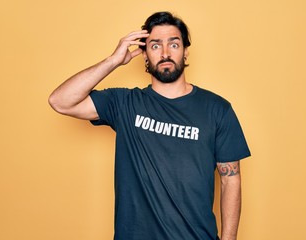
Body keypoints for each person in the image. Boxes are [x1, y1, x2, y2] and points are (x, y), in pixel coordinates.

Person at [49, 11, 250, 240]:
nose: (165, 53)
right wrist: (113, 61)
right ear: (144, 55)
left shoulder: (217, 109)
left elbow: (230, 179)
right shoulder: (124, 103)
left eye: (174, 44)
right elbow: (60, 101)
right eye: (155, 46)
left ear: (185, 52)